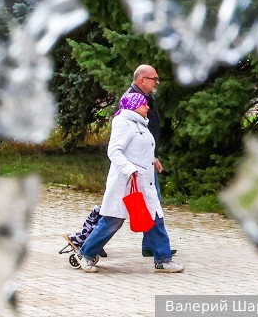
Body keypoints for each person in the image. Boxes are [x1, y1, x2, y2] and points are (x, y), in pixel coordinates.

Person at [75, 92, 184, 273]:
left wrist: (153, 160)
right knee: (113, 221)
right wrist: (129, 169)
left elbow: (138, 149)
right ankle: (85, 254)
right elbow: (114, 151)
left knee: (155, 219)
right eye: (144, 104)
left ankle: (163, 260)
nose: (147, 107)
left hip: (144, 183)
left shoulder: (140, 123)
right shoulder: (123, 123)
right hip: (126, 183)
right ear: (134, 105)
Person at [124, 64, 176, 258]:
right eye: (154, 78)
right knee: (118, 209)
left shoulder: (147, 98)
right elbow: (127, 136)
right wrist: (146, 157)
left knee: (150, 202)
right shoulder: (131, 99)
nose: (157, 82)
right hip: (136, 164)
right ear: (141, 80)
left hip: (146, 159)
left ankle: (152, 246)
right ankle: (88, 242)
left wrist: (152, 155)